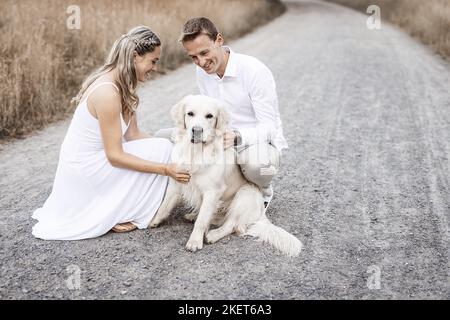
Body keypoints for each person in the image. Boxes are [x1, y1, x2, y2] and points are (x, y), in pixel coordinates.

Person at [32, 26, 190, 240]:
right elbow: (115, 156)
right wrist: (165, 169)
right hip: (84, 168)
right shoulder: (107, 92)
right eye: (153, 61)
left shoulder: (125, 85)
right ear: (135, 56)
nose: (155, 67)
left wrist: (176, 148)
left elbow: (133, 135)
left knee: (164, 147)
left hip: (98, 160)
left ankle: (122, 203)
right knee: (162, 156)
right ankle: (118, 212)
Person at [156, 17, 287, 210]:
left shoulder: (254, 71)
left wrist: (237, 137)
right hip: (219, 138)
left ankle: (262, 190)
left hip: (252, 142)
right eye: (193, 57)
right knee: (161, 139)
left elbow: (270, 128)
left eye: (204, 52)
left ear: (219, 40)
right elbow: (206, 115)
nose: (201, 62)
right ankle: (187, 192)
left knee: (257, 166)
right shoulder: (202, 71)